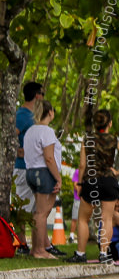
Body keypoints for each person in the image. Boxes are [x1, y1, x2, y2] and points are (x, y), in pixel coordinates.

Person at [72, 108, 119, 263]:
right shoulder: (115, 139)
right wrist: (117, 172)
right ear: (110, 123)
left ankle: (80, 253)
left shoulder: (87, 139)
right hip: (108, 180)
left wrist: (80, 183)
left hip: (91, 180)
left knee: (83, 219)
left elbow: (82, 165)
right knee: (106, 219)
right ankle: (103, 254)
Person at [23, 100, 63, 259]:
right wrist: (58, 178)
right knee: (41, 213)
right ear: (50, 112)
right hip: (44, 172)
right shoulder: (46, 132)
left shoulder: (30, 131)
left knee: (37, 212)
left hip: (31, 172)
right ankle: (39, 250)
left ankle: (36, 248)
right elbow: (49, 158)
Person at [13, 81, 45, 244]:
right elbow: (9, 137)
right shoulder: (22, 116)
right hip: (22, 169)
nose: (43, 98)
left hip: (35, 169)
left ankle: (42, 245)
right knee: (23, 209)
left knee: (37, 209)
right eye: (42, 94)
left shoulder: (34, 116)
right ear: (37, 95)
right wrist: (19, 151)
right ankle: (22, 242)